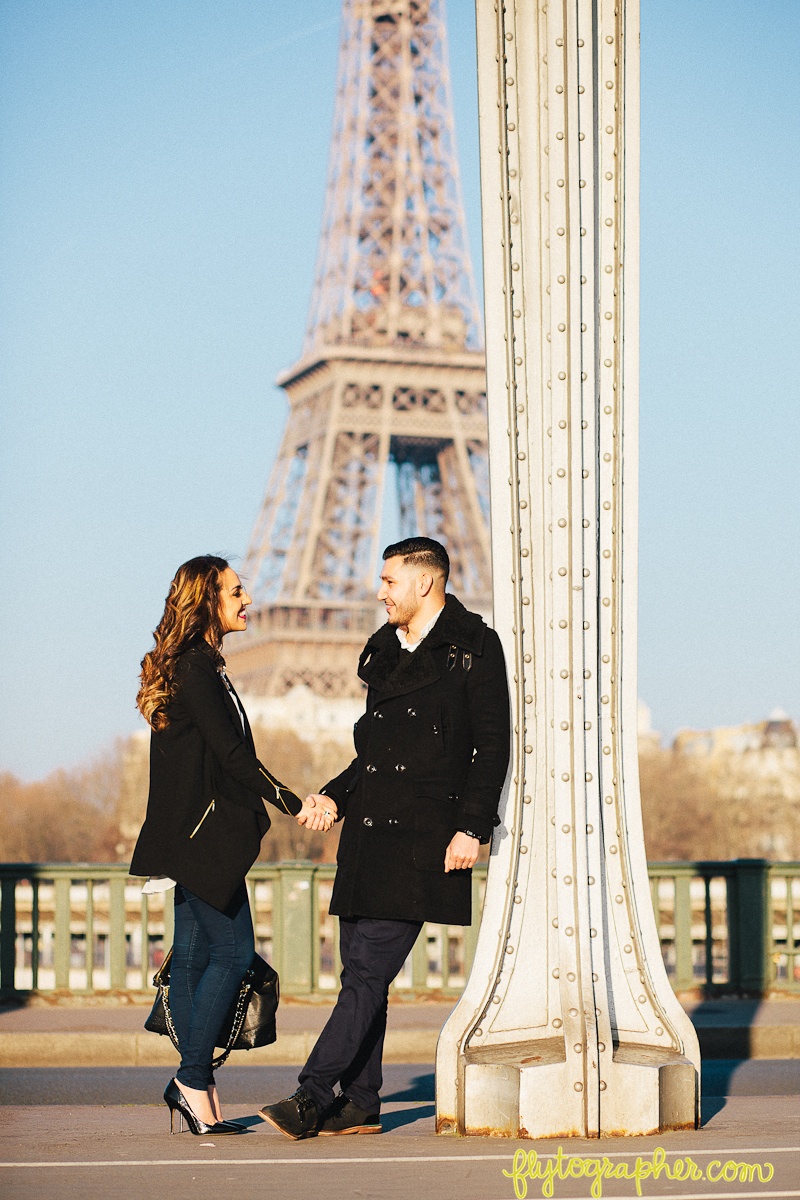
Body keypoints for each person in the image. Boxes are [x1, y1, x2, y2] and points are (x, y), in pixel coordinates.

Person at [259, 537, 510, 1139]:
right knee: (361, 977)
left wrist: (473, 827)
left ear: (425, 583)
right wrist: (332, 797)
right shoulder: (384, 650)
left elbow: (492, 745)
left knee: (368, 972)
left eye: (389, 581)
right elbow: (370, 756)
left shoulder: (474, 648)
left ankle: (313, 1093)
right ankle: (363, 1101)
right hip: (370, 839)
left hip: (425, 838)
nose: (379, 593)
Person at [130, 555, 336, 1135]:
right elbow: (232, 757)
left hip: (195, 840)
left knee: (196, 958)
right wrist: (296, 803)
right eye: (236, 591)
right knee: (233, 954)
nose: (248, 600)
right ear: (208, 602)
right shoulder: (198, 668)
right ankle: (192, 1078)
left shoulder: (199, 666)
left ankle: (194, 1083)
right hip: (201, 843)